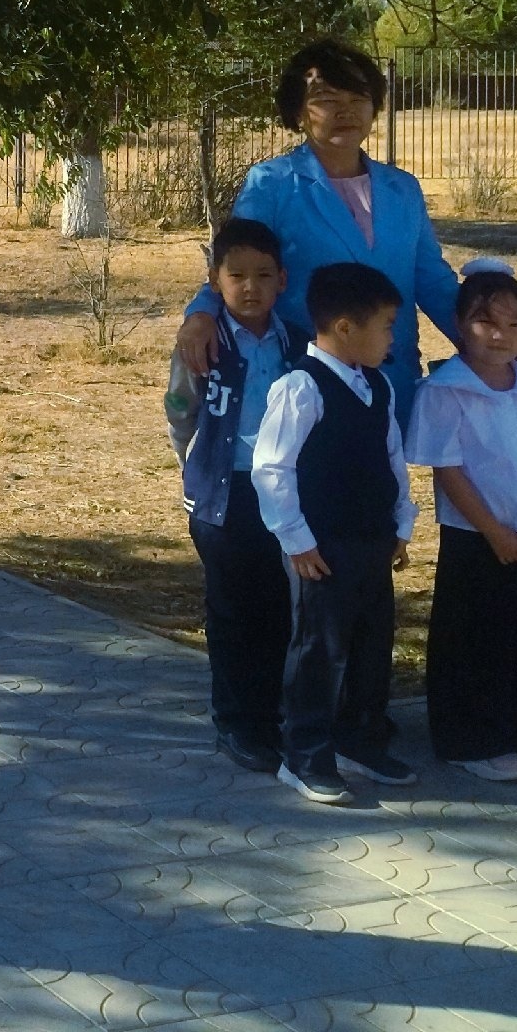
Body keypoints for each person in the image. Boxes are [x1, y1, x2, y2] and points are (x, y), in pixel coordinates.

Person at [178, 39, 459, 430]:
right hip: (304, 379)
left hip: (388, 376)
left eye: (359, 97)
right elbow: (240, 264)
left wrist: (488, 344)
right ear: (297, 112)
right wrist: (201, 315)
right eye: (326, 99)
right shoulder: (272, 184)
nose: (345, 111)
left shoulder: (403, 189)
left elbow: (433, 281)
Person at [407, 261, 517, 780]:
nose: (501, 335)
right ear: (462, 324)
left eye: (515, 324)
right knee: (473, 638)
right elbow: (449, 469)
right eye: (487, 322)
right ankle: (467, 739)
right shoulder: (446, 390)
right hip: (477, 538)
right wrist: (494, 531)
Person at [253, 261, 419, 804]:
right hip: (321, 549)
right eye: (388, 324)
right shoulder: (301, 387)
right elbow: (272, 468)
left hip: (372, 540)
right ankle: (304, 754)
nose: (393, 335)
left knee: (371, 647)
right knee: (319, 650)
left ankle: (359, 739)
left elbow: (391, 457)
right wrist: (296, 538)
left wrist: (402, 519)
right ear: (346, 326)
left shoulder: (378, 386)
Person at [165, 217, 307, 775]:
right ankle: (236, 721)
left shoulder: (297, 343)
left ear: (282, 281)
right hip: (223, 493)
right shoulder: (204, 340)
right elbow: (180, 409)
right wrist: (194, 466)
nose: (250, 286)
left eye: (263, 275)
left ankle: (270, 714)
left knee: (276, 606)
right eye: (237, 275)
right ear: (214, 279)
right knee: (231, 608)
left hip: (282, 492)